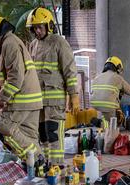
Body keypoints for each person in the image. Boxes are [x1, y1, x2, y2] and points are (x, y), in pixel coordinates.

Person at [0, 11, 42, 158]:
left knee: (2, 127)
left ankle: (37, 157)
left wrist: (0, 103)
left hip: (22, 100)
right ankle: (36, 168)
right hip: (31, 100)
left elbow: (15, 77)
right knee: (28, 135)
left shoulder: (9, 43)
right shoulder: (8, 42)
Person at [27, 7, 79, 164]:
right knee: (42, 134)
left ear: (49, 25)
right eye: (34, 28)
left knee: (53, 133)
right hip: (38, 101)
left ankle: (57, 166)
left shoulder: (59, 42)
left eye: (40, 27)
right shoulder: (33, 45)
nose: (37, 31)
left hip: (55, 100)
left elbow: (69, 70)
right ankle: (48, 164)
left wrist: (74, 95)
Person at [90, 56, 130, 129]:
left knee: (106, 118)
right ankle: (101, 124)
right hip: (108, 104)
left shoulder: (97, 76)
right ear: (117, 67)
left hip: (95, 104)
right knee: (113, 125)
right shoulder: (117, 77)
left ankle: (102, 123)